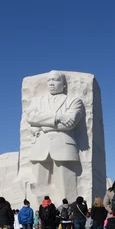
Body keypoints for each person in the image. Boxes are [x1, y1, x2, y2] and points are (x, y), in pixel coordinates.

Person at [27, 71, 85, 202]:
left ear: (64, 84)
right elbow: (30, 117)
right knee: (39, 187)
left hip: (63, 146)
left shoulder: (74, 101)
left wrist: (42, 126)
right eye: (49, 80)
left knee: (67, 186)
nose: (51, 83)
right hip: (40, 147)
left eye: (55, 80)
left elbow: (71, 123)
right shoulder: (37, 101)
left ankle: (68, 214)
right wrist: (57, 117)